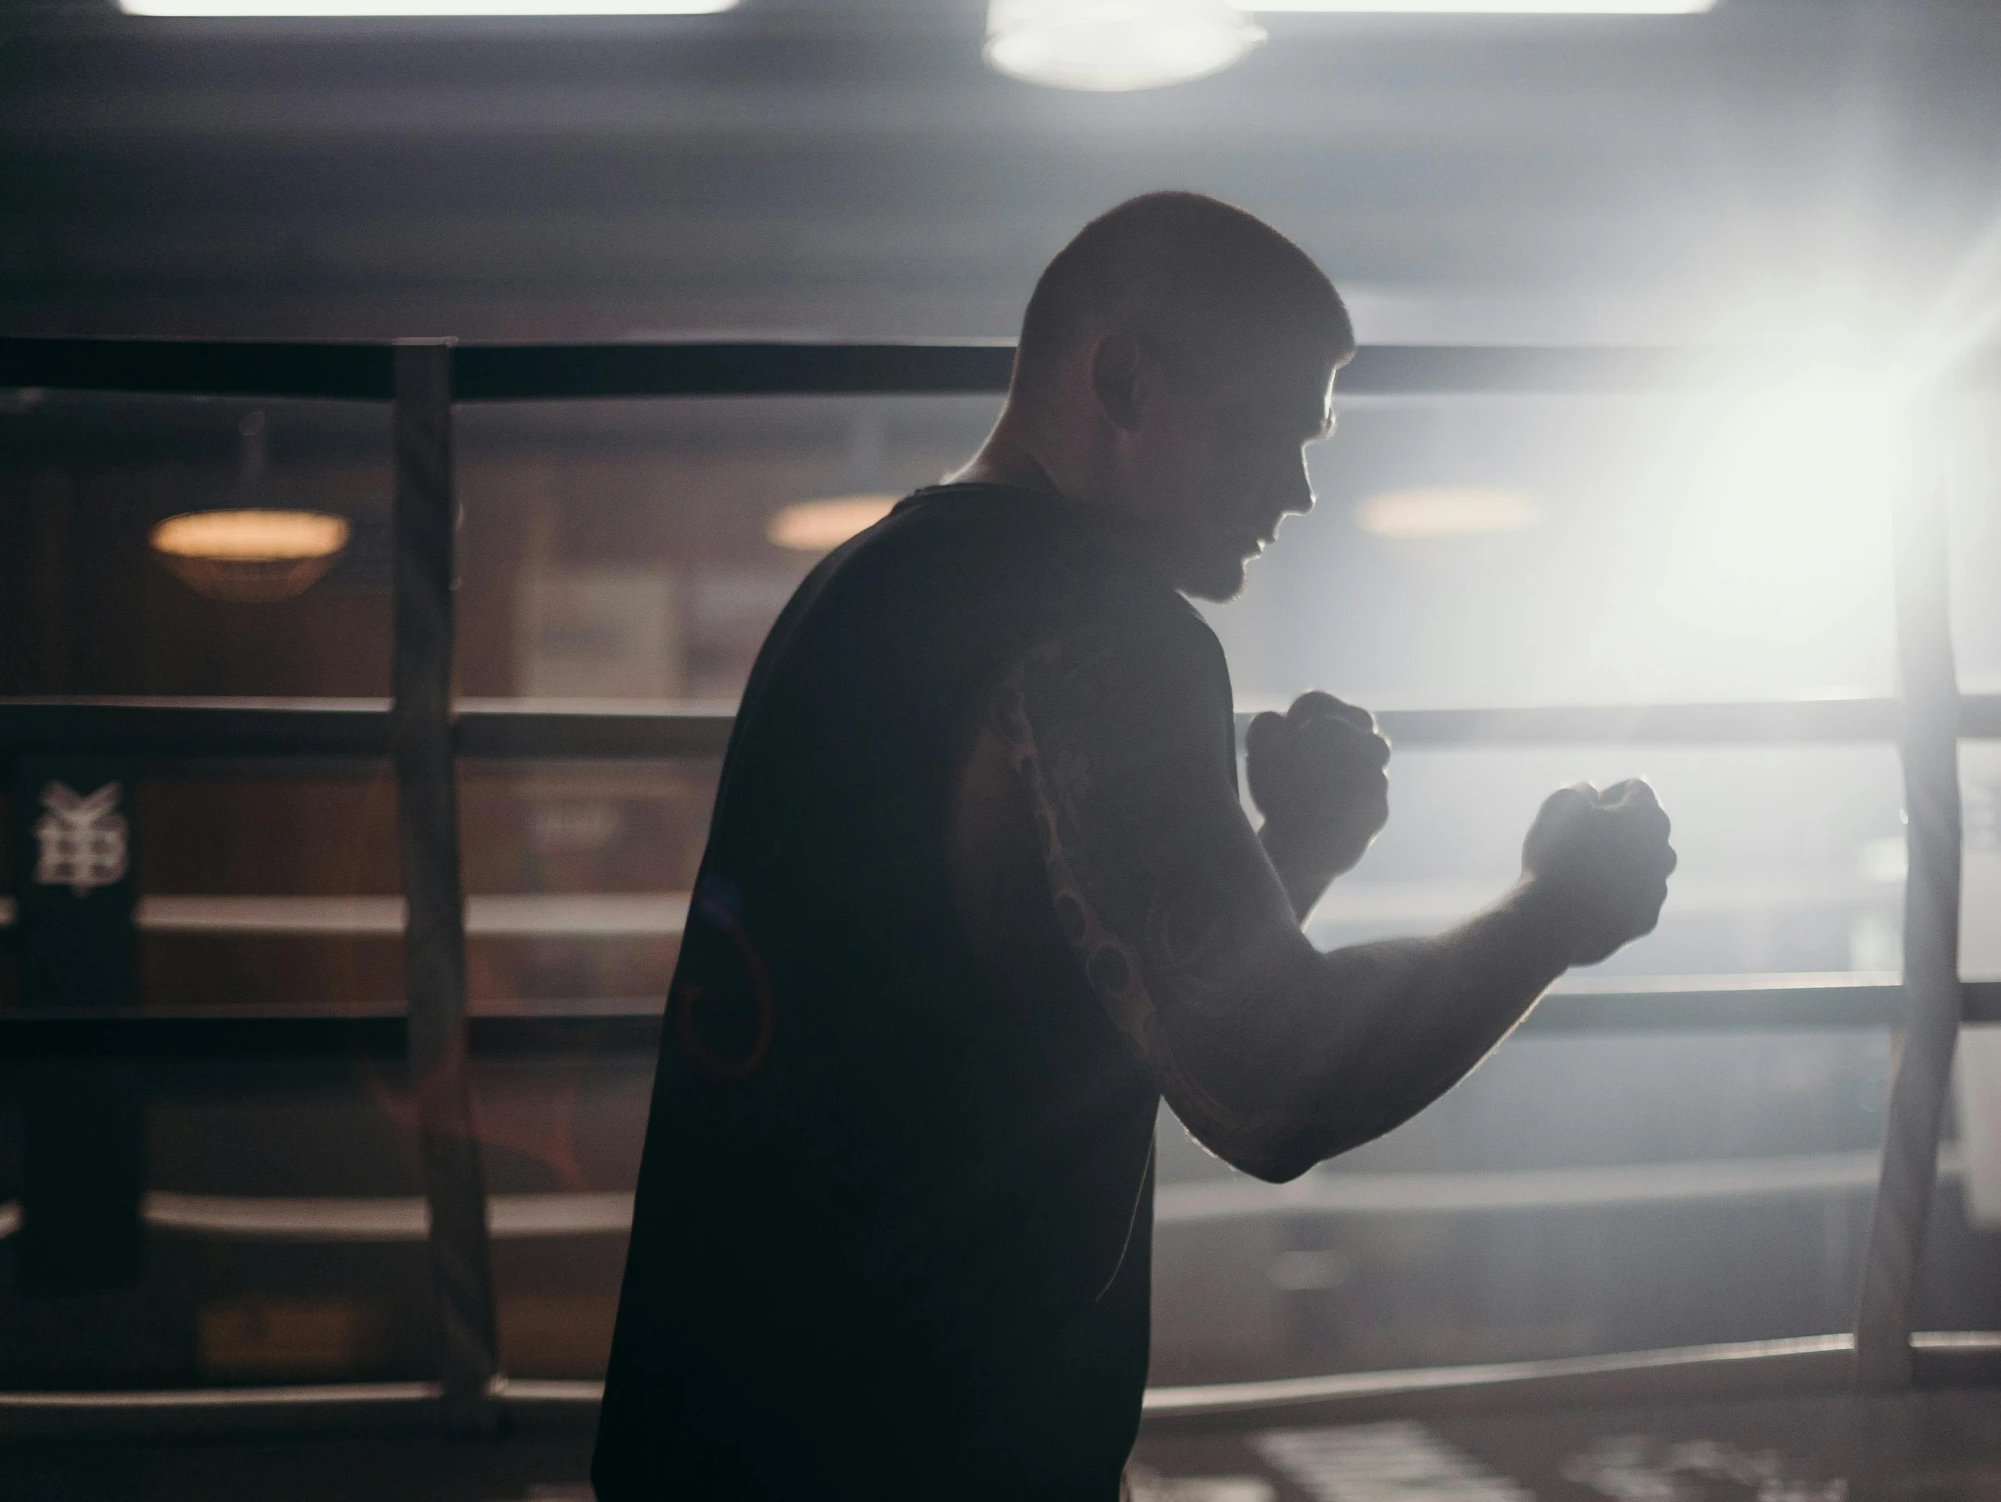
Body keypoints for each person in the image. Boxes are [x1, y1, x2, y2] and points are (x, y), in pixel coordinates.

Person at [591, 192, 1676, 1500]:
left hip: (721, 1429)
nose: (1297, 487)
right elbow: (1270, 1083)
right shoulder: (1107, 635)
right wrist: (1561, 905)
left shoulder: (863, 586)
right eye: (1266, 429)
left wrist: (1298, 848)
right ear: (1124, 378)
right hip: (918, 1450)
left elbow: (1071, 996)